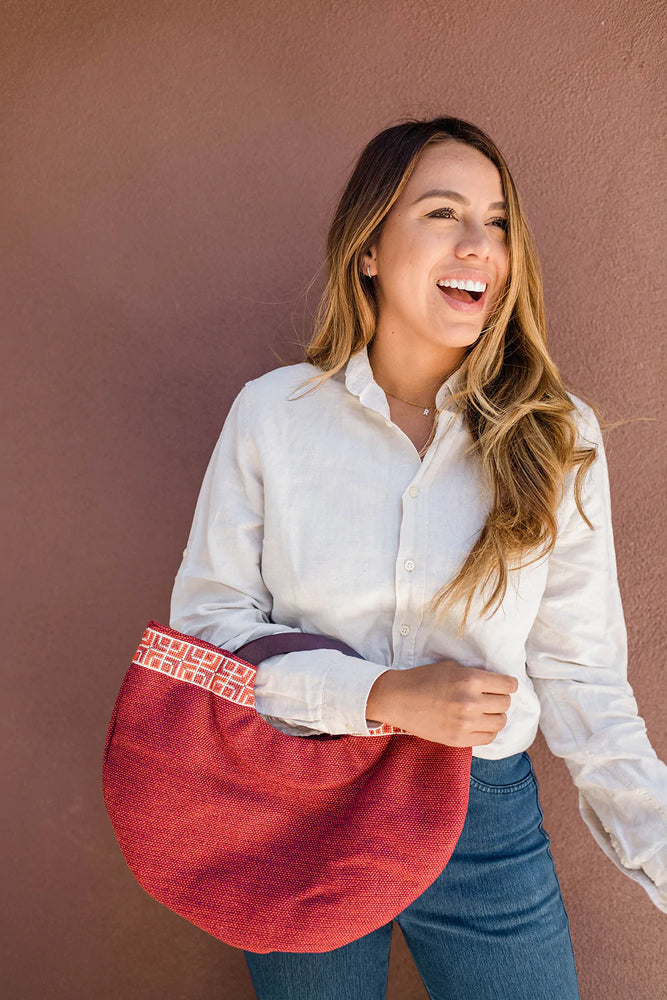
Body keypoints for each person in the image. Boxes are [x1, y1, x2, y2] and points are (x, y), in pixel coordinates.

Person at [169, 116, 666, 1000]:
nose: (480, 244)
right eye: (443, 212)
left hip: (483, 820)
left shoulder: (556, 434)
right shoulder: (272, 416)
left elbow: (586, 682)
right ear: (368, 248)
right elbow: (205, 637)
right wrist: (379, 697)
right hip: (298, 799)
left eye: (499, 220)